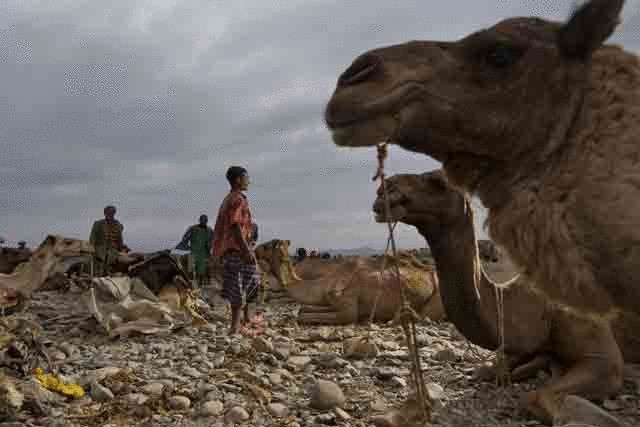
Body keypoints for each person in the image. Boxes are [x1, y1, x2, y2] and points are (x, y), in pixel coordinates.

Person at [211, 166, 261, 335]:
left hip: (231, 249)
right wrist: (246, 250)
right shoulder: (237, 199)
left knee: (242, 284)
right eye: (246, 177)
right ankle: (236, 326)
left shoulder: (229, 199)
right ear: (238, 180)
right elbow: (235, 225)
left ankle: (242, 322)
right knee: (245, 283)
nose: (249, 181)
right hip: (236, 249)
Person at [175, 214, 214, 289]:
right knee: (190, 271)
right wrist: (186, 247)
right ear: (199, 220)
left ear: (207, 221)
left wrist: (210, 249)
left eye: (205, 220)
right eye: (202, 220)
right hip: (193, 252)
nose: (203, 221)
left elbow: (213, 240)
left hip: (204, 254)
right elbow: (185, 238)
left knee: (202, 272)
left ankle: (201, 288)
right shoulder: (192, 229)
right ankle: (190, 288)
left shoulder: (209, 230)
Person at [89, 205, 129, 276]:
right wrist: (91, 247)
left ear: (114, 213)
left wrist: (121, 248)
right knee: (101, 257)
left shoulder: (117, 224)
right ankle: (100, 273)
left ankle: (109, 271)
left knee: (112, 256)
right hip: (100, 246)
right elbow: (93, 237)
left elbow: (119, 239)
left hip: (113, 248)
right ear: (105, 213)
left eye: (111, 213)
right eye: (107, 213)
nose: (109, 214)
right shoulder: (98, 224)